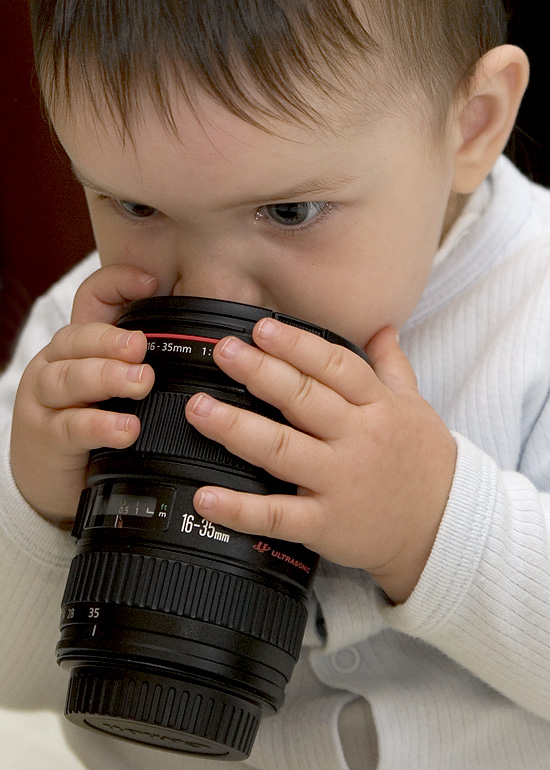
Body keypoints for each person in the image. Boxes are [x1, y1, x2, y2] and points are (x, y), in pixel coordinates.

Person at [1, 0, 549, 767]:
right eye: (135, 205)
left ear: (472, 124)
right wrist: (37, 510)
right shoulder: (83, 352)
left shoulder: (536, 308)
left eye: (288, 211)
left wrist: (434, 526)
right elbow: (16, 682)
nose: (215, 288)